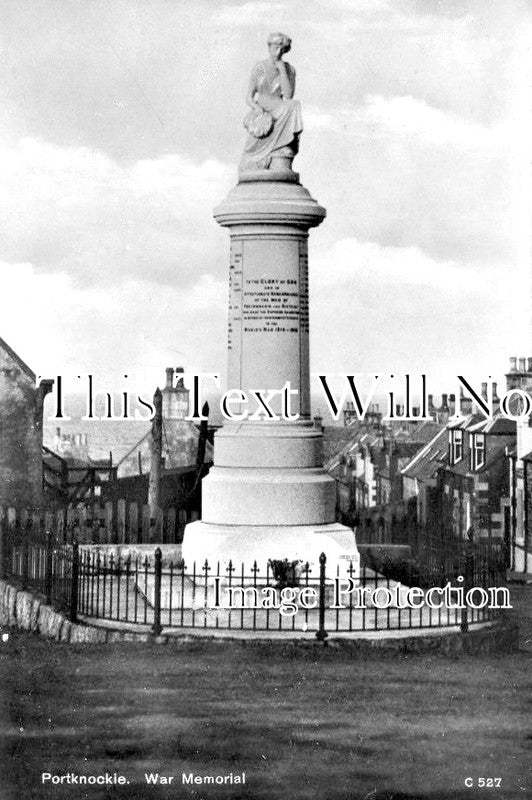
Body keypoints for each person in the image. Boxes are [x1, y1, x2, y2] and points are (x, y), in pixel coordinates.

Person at [239, 32, 303, 173]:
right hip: (263, 109)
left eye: (282, 48)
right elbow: (249, 97)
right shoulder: (259, 68)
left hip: (280, 107)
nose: (278, 51)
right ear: (269, 47)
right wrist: (257, 109)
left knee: (294, 105)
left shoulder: (289, 69)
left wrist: (282, 70)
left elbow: (288, 95)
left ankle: (282, 146)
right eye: (275, 47)